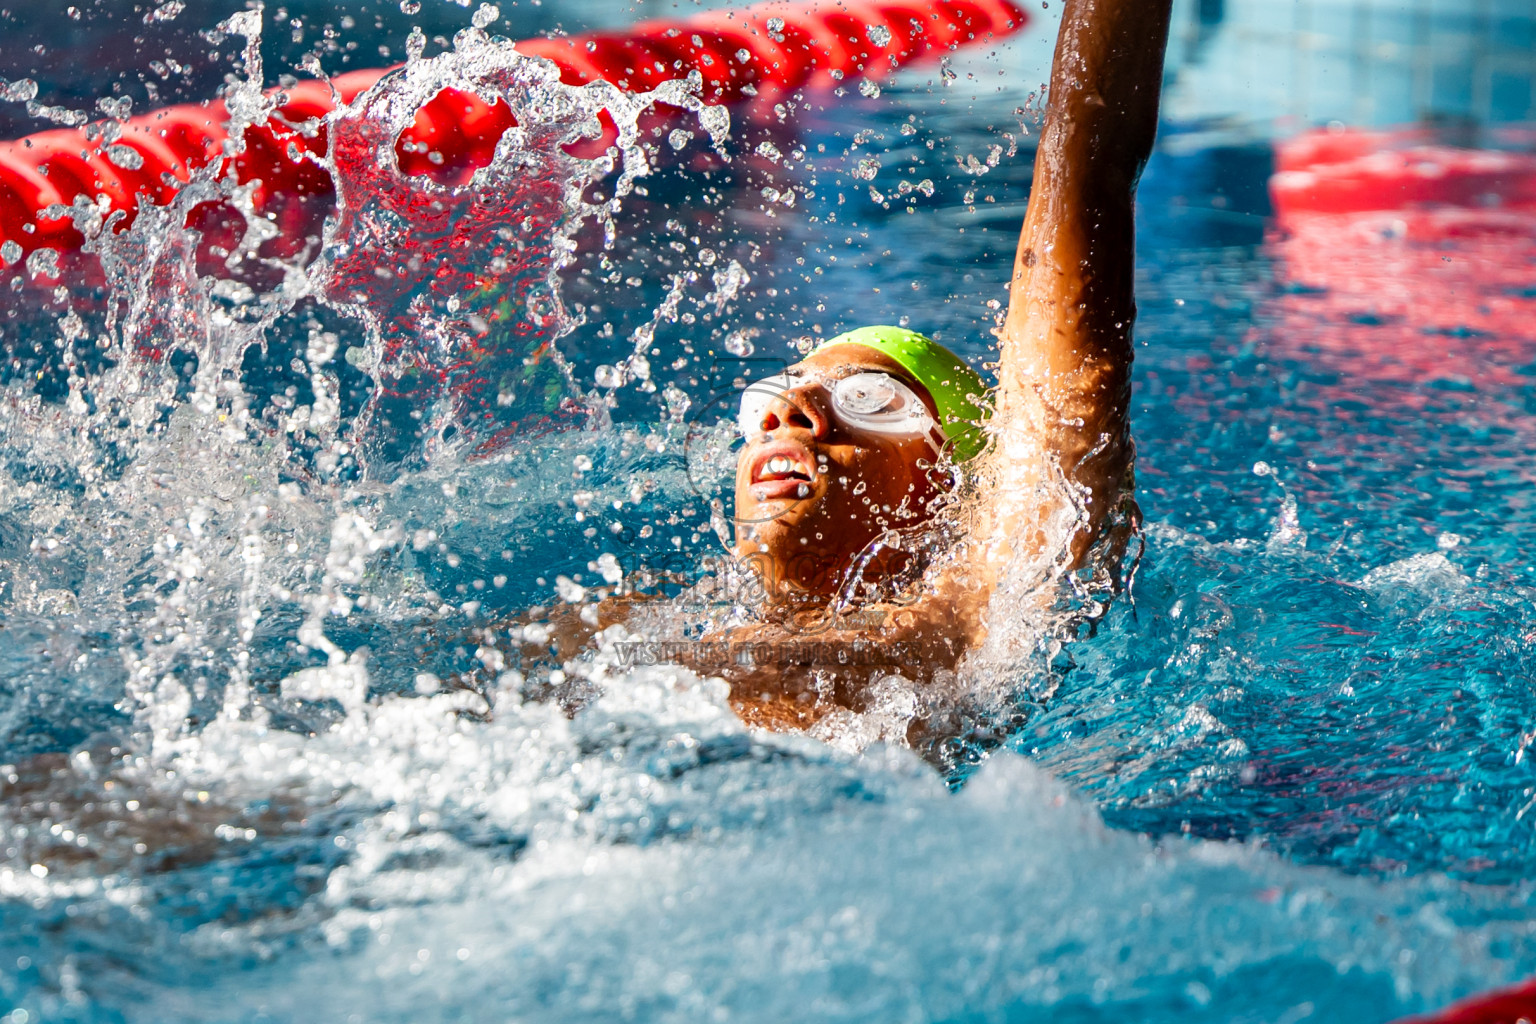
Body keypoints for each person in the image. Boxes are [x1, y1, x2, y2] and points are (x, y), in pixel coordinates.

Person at [534, 0, 1174, 740]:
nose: (789, 412)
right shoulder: (616, 621)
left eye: (868, 399)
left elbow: (1086, 166)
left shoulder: (988, 600)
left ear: (952, 489)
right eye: (770, 399)